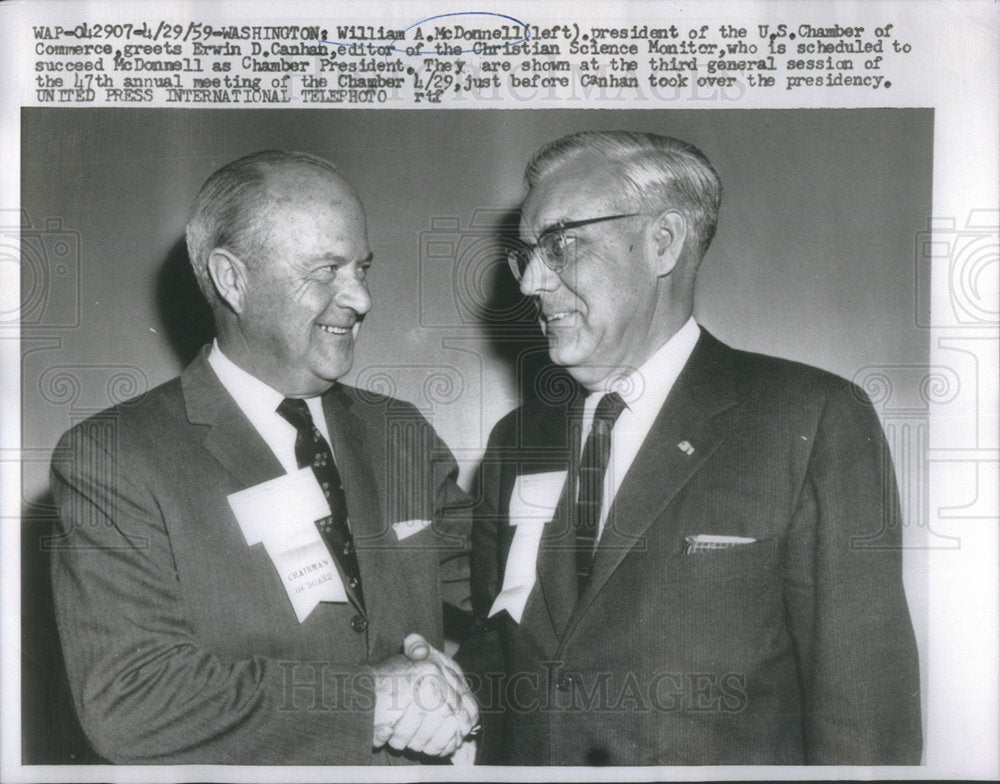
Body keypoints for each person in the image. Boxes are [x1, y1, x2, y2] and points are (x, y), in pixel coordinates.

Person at [463, 131, 922, 765]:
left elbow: (865, 718)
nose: (532, 282)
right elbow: (501, 653)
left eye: (561, 245)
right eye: (527, 254)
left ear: (663, 242)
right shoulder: (516, 440)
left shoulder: (813, 418)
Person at [49, 150, 477, 765]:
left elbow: (513, 602)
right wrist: (373, 700)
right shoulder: (114, 458)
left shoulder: (400, 434)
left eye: (361, 267)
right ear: (232, 278)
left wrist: (462, 699)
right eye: (326, 270)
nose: (359, 298)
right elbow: (131, 700)